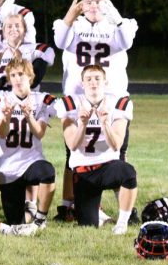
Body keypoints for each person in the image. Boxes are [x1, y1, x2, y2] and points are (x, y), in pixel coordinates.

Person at [52, 0, 139, 221]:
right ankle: (68, 205)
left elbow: (127, 41)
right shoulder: (74, 25)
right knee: (73, 154)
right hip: (78, 98)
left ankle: (125, 208)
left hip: (110, 99)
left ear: (106, 4)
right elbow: (59, 40)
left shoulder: (117, 25)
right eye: (88, 1)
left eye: (98, 1)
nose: (93, 5)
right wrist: (71, 14)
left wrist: (117, 17)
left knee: (117, 153)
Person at [0, 13, 55, 214]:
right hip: (2, 102)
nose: (13, 29)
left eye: (17, 25)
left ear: (25, 30)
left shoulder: (33, 49)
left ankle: (31, 202)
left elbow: (42, 66)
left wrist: (23, 62)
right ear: (2, 30)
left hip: (27, 101)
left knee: (29, 148)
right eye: (8, 26)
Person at [57, 64, 138, 233]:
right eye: (89, 79)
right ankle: (98, 215)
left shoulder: (119, 104)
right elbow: (72, 144)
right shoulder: (69, 104)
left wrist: (105, 123)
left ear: (105, 82)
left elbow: (116, 145)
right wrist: (83, 124)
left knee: (128, 172)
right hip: (83, 172)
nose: (93, 83)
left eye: (97, 78)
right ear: (82, 83)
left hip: (108, 166)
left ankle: (122, 223)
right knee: (87, 226)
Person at [0, 58, 57, 227]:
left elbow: (39, 133)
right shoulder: (1, 98)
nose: (17, 79)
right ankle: (29, 215)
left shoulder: (42, 100)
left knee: (47, 172)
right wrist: (7, 116)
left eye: (21, 74)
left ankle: (40, 219)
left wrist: (29, 116)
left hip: (31, 160)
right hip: (8, 167)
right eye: (13, 75)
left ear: (30, 76)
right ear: (8, 78)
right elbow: (2, 133)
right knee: (15, 223)